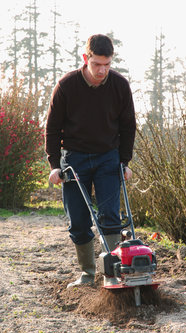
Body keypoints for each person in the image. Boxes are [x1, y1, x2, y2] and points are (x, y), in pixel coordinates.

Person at [45, 34, 136, 288]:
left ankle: (114, 272)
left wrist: (125, 161)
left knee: (110, 215)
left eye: (107, 64)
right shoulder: (67, 86)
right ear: (86, 59)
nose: (102, 70)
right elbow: (52, 128)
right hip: (74, 159)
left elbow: (129, 125)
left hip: (108, 157)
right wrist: (55, 165)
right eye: (97, 64)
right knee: (79, 221)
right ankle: (87, 273)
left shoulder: (119, 85)